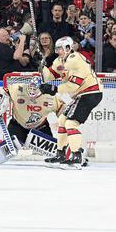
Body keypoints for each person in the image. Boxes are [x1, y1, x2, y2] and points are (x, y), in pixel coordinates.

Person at [40, 36, 104, 169]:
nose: (58, 51)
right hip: (81, 95)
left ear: (68, 48)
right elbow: (50, 75)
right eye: (56, 49)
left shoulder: (76, 60)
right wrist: (41, 65)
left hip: (91, 93)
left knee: (70, 123)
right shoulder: (59, 60)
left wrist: (54, 89)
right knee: (63, 120)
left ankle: (77, 156)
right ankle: (61, 153)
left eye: (60, 49)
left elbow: (74, 85)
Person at [0, 77, 65, 150]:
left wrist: (63, 123)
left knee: (47, 153)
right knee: (13, 148)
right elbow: (5, 91)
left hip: (40, 126)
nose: (32, 91)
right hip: (17, 125)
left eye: (35, 89)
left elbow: (62, 110)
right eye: (31, 88)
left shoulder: (51, 97)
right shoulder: (18, 89)